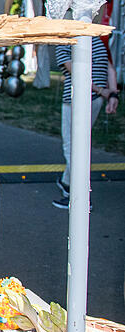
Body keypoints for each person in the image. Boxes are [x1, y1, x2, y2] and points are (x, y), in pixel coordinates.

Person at [53, 36, 119, 209]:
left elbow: (75, 71)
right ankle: (66, 183)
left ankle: (78, 197)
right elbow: (110, 68)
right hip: (95, 101)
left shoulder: (65, 40)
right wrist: (112, 94)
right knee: (80, 145)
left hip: (76, 99)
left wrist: (102, 90)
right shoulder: (97, 38)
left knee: (72, 147)